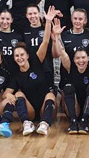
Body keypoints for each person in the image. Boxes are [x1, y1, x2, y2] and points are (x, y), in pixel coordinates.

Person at [7, 7, 58, 136]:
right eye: (17, 56)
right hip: (30, 110)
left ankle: (44, 124)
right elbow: (7, 92)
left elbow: (45, 42)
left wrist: (48, 22)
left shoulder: (36, 61)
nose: (20, 58)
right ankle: (26, 123)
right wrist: (8, 96)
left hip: (44, 109)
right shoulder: (16, 74)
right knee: (18, 94)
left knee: (51, 95)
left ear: (28, 55)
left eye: (22, 55)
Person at [53, 18, 89, 134]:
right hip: (73, 109)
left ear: (88, 58)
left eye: (83, 58)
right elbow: (62, 52)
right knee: (68, 87)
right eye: (78, 58)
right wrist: (58, 36)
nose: (81, 61)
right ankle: (73, 122)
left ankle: (84, 122)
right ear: (74, 60)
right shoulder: (70, 67)